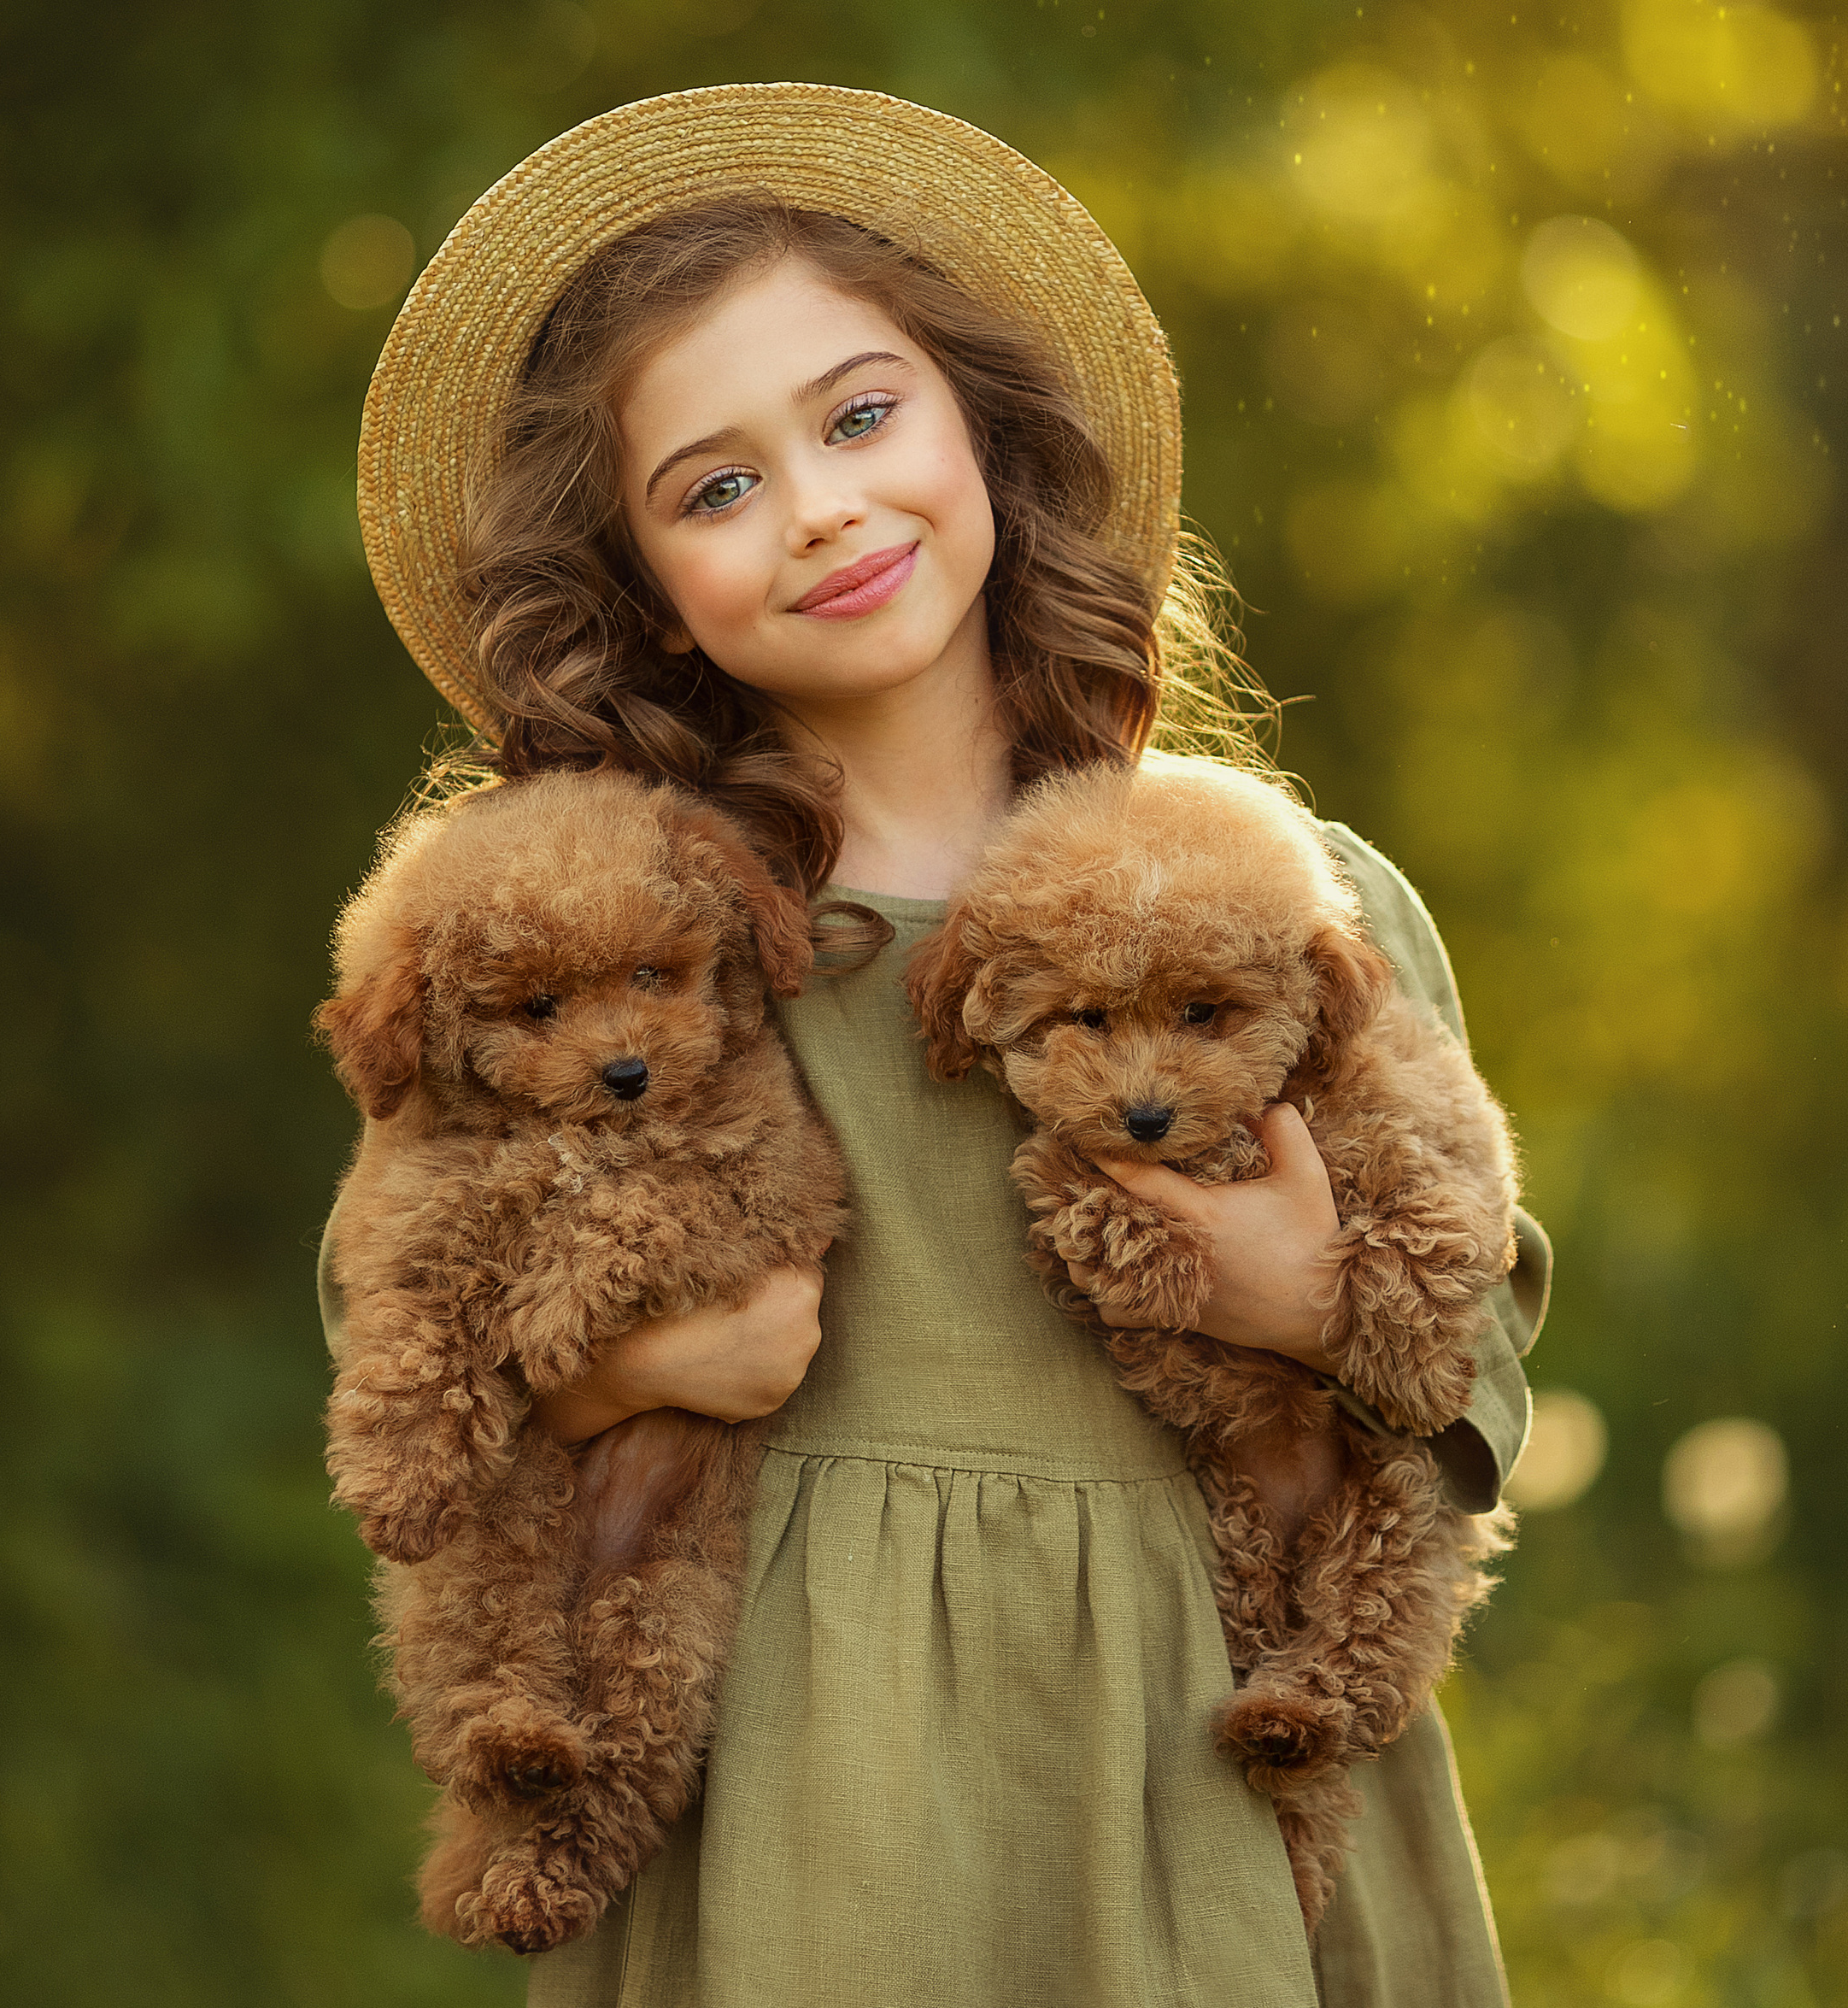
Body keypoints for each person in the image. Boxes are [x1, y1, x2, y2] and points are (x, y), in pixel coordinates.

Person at [331, 82, 1551, 2008]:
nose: (820, 505)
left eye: (861, 413)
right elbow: (398, 1277)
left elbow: (1479, 1333)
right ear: (642, 587)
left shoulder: (1255, 891)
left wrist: (1310, 1298)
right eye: (715, 487)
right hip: (814, 1786)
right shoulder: (633, 942)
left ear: (980, 418)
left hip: (1197, 1741)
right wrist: (613, 1370)